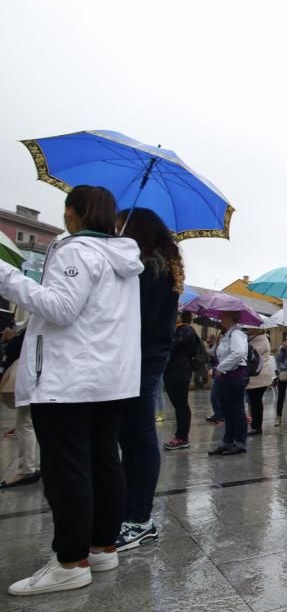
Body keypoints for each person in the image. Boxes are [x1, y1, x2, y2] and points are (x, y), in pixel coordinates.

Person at [0, 185, 142, 595]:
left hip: (69, 377)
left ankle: (70, 561)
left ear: (72, 213)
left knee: (68, 469)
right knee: (102, 461)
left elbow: (62, 308)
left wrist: (8, 277)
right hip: (109, 377)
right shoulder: (122, 261)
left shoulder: (76, 251)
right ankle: (101, 546)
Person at [115, 207, 182, 551]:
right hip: (142, 359)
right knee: (133, 436)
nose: (116, 228)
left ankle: (140, 519)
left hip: (141, 360)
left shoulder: (150, 268)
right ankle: (132, 512)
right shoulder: (157, 266)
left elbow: (136, 317)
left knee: (139, 437)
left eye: (121, 223)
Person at [0, 323, 40, 488]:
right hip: (46, 379)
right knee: (30, 423)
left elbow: (19, 346)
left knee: (25, 423)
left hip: (36, 377)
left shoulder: (41, 318)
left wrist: (12, 337)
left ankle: (26, 469)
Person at [208, 311, 249, 456]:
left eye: (223, 316)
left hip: (235, 377)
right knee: (227, 410)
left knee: (236, 410)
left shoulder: (236, 334)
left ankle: (240, 442)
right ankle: (227, 441)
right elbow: (220, 354)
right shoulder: (227, 335)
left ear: (231, 317)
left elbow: (238, 353)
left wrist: (221, 367)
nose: (220, 318)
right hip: (226, 378)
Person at [163, 311, 202, 450]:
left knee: (181, 404)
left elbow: (172, 345)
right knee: (177, 404)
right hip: (171, 370)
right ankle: (180, 436)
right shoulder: (176, 329)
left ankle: (182, 437)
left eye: (177, 313)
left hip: (180, 370)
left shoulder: (186, 330)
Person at [245, 327, 274, 436]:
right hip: (256, 376)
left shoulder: (261, 340)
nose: (247, 329)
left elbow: (251, 354)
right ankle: (255, 425)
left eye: (249, 327)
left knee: (255, 401)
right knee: (253, 401)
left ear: (257, 330)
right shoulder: (253, 339)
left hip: (259, 375)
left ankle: (256, 427)